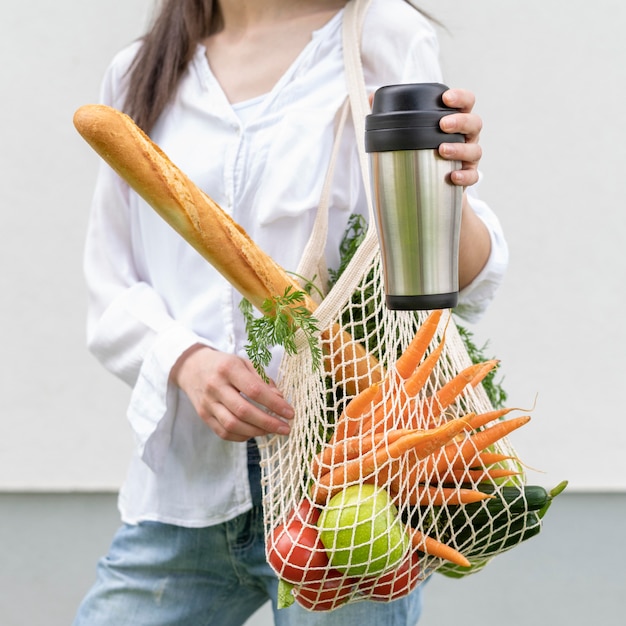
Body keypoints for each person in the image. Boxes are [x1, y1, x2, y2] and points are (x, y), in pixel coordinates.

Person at [73, 0, 508, 624]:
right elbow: (110, 281)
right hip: (188, 488)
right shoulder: (141, 70)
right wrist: (186, 361)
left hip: (349, 488)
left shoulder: (381, 38)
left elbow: (446, 277)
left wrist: (447, 190)